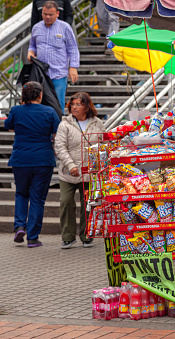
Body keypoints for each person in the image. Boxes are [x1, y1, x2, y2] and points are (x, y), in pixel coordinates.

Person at [5, 82, 60, 247]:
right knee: (38, 199)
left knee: (21, 194)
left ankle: (20, 226)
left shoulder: (16, 111)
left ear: (24, 96)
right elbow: (56, 133)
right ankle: (33, 237)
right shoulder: (49, 111)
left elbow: (8, 127)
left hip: (21, 159)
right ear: (41, 95)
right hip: (43, 159)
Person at [54, 92, 105, 249]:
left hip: (90, 172)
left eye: (78, 104)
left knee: (88, 204)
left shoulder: (97, 123)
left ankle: (86, 235)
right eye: (72, 104)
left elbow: (103, 144)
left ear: (87, 106)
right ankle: (68, 236)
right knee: (66, 201)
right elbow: (60, 147)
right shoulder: (65, 124)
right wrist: (71, 165)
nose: (74, 107)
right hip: (68, 172)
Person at [28, 0, 80, 113]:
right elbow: (32, 45)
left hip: (58, 74)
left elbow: (73, 48)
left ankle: (57, 130)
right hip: (41, 74)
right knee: (39, 104)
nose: (47, 17)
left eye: (50, 14)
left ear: (57, 13)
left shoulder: (65, 27)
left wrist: (73, 67)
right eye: (45, 14)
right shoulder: (36, 27)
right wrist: (31, 52)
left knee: (57, 104)